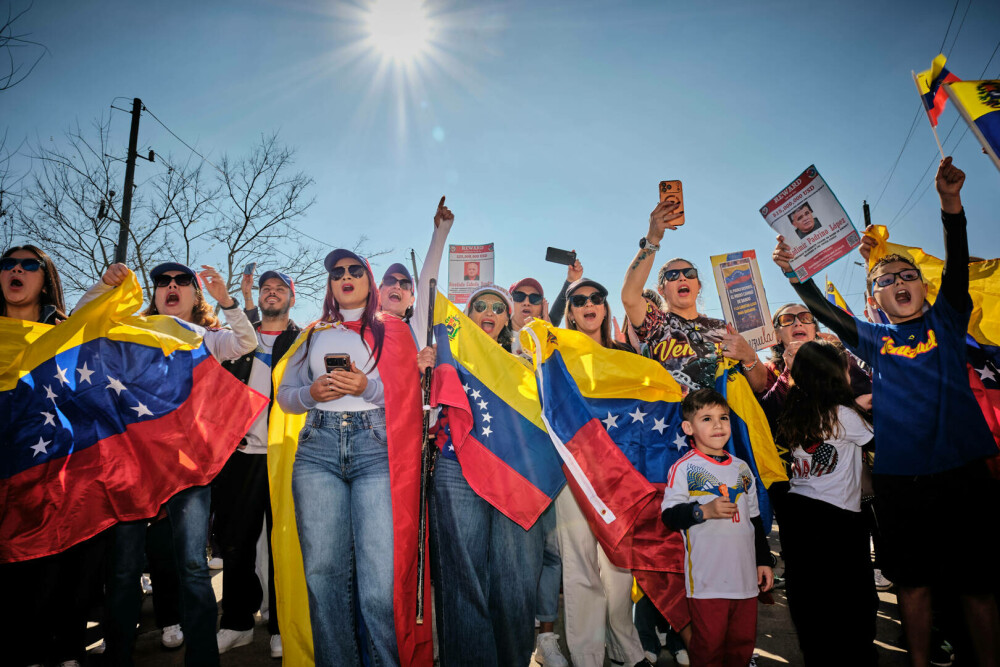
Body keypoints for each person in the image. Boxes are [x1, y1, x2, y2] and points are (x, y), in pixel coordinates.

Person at [771, 157, 1000, 667]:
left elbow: (957, 268)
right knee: (913, 586)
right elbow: (824, 310)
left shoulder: (947, 319)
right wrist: (792, 270)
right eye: (884, 278)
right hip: (901, 482)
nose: (898, 281)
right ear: (874, 297)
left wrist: (950, 205)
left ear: (922, 286)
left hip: (964, 473)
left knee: (977, 588)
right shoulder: (873, 338)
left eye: (907, 274)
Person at [91, 261, 258, 667]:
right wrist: (102, 286)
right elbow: (85, 326)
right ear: (154, 293)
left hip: (188, 468)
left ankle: (202, 660)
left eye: (182, 281)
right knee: (124, 569)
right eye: (162, 281)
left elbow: (246, 341)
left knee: (193, 566)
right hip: (134, 467)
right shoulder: (134, 328)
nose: (172, 285)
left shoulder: (208, 337)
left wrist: (228, 301)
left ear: (194, 295)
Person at [276, 248, 422, 667]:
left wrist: (365, 388)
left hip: (375, 449)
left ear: (368, 280)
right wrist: (311, 394)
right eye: (337, 271)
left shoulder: (394, 329)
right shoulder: (312, 333)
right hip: (317, 449)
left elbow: (409, 396)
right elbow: (285, 398)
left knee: (378, 583)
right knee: (323, 577)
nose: (345, 276)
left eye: (355, 270)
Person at [417, 284, 545, 667]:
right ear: (468, 315)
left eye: (498, 307)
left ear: (508, 318)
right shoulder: (446, 355)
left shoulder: (525, 360)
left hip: (514, 471)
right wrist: (424, 371)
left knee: (515, 579)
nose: (489, 312)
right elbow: (422, 411)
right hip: (455, 466)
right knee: (462, 575)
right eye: (480, 305)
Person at [1, 245, 107, 667]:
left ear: (45, 280)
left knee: (64, 561)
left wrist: (108, 286)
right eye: (8, 264)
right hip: (6, 470)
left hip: (57, 466)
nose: (17, 270)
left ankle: (66, 649)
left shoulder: (66, 332)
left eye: (29, 265)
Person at [556, 277, 650, 667]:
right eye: (579, 301)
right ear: (571, 312)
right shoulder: (557, 356)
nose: (588, 304)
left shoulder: (626, 354)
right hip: (573, 470)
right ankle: (588, 656)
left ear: (605, 306)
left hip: (619, 471)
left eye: (596, 298)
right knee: (580, 563)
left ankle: (626, 650)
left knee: (620, 567)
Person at [213, 269, 301, 657]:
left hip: (286, 454)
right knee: (236, 544)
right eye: (266, 289)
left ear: (292, 298)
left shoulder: (303, 341)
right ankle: (237, 623)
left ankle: (282, 625)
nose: (272, 293)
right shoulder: (237, 338)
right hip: (240, 455)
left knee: (284, 543)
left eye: (280, 288)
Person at [774, 340, 877, 666]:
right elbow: (879, 443)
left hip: (798, 515)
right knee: (854, 606)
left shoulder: (796, 411)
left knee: (810, 605)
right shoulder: (845, 416)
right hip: (838, 521)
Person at [661, 389, 773, 667]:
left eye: (723, 417)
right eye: (707, 419)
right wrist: (703, 511)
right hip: (707, 582)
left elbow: (754, 520)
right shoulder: (684, 468)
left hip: (745, 581)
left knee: (741, 648)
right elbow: (669, 516)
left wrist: (763, 560)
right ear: (688, 428)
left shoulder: (742, 468)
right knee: (708, 650)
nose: (718, 425)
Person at [621, 199, 767, 393]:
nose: (682, 277)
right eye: (672, 275)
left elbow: (759, 386)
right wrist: (652, 238)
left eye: (689, 274)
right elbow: (629, 296)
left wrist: (749, 357)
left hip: (721, 412)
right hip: (674, 411)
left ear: (698, 286)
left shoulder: (725, 329)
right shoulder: (655, 325)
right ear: (661, 290)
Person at [0, 244, 67, 323]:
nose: (16, 268)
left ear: (45, 285)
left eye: (30, 265)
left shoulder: (68, 328)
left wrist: (67, 330)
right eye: (8, 264)